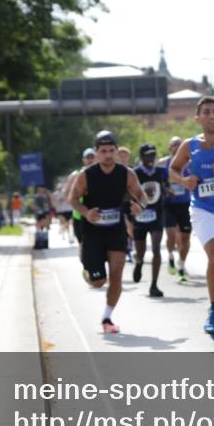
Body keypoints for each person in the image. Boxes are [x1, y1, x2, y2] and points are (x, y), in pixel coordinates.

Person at [170, 96, 214, 342]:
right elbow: (173, 168)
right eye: (206, 112)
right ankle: (212, 312)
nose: (211, 115)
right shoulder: (189, 146)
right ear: (198, 118)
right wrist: (183, 181)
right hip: (203, 209)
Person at [69, 131, 149, 334]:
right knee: (98, 282)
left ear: (116, 150)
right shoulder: (86, 175)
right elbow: (72, 199)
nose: (107, 155)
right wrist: (86, 212)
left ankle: (107, 317)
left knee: (117, 274)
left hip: (116, 231)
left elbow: (141, 195)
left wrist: (140, 205)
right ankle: (89, 270)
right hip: (92, 233)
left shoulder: (126, 173)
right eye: (103, 151)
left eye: (111, 151)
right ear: (96, 153)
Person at [132, 143, 168, 297]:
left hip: (156, 214)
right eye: (147, 155)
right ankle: (139, 262)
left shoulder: (161, 171)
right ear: (141, 157)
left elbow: (165, 186)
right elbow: (129, 192)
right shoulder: (134, 173)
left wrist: (168, 191)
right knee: (140, 251)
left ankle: (154, 285)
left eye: (153, 155)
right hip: (140, 216)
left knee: (156, 249)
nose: (150, 158)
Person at [160, 136, 193, 282]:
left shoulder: (191, 164)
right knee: (172, 235)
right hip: (169, 205)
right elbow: (156, 181)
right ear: (169, 148)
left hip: (185, 204)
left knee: (185, 237)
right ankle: (171, 256)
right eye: (173, 145)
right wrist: (165, 189)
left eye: (179, 144)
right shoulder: (162, 163)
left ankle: (181, 265)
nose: (176, 147)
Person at [66, 148, 97, 248]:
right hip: (79, 215)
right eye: (88, 157)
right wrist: (75, 202)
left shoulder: (101, 172)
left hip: (97, 213)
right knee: (83, 244)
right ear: (83, 160)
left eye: (92, 157)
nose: (90, 160)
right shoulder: (76, 174)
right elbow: (66, 193)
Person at [117, 146, 136, 264]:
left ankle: (131, 245)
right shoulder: (115, 170)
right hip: (118, 204)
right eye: (121, 155)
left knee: (132, 227)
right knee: (124, 225)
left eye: (125, 155)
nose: (123, 157)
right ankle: (127, 249)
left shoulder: (133, 171)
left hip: (131, 202)